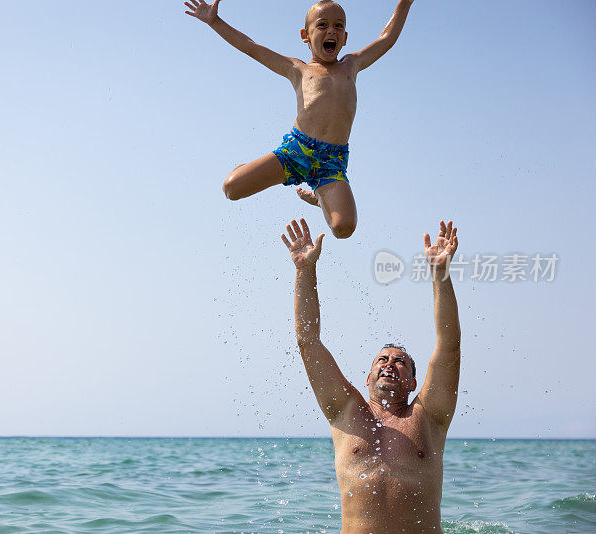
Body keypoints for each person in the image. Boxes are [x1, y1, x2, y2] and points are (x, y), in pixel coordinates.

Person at [280, 218, 461, 533]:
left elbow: (449, 348)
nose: (390, 363)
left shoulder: (429, 416)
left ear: (414, 383)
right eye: (382, 359)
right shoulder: (345, 409)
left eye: (400, 362)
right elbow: (308, 342)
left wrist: (440, 274)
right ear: (367, 378)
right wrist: (304, 271)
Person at [185, 0, 415, 238]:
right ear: (306, 35)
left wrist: (404, 4)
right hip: (296, 150)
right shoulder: (298, 69)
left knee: (343, 228)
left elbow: (386, 39)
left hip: (331, 161)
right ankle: (251, 170)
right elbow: (251, 47)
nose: (331, 31)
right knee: (230, 189)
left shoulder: (352, 65)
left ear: (345, 37)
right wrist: (215, 22)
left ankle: (321, 197)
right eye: (322, 25)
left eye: (338, 26)